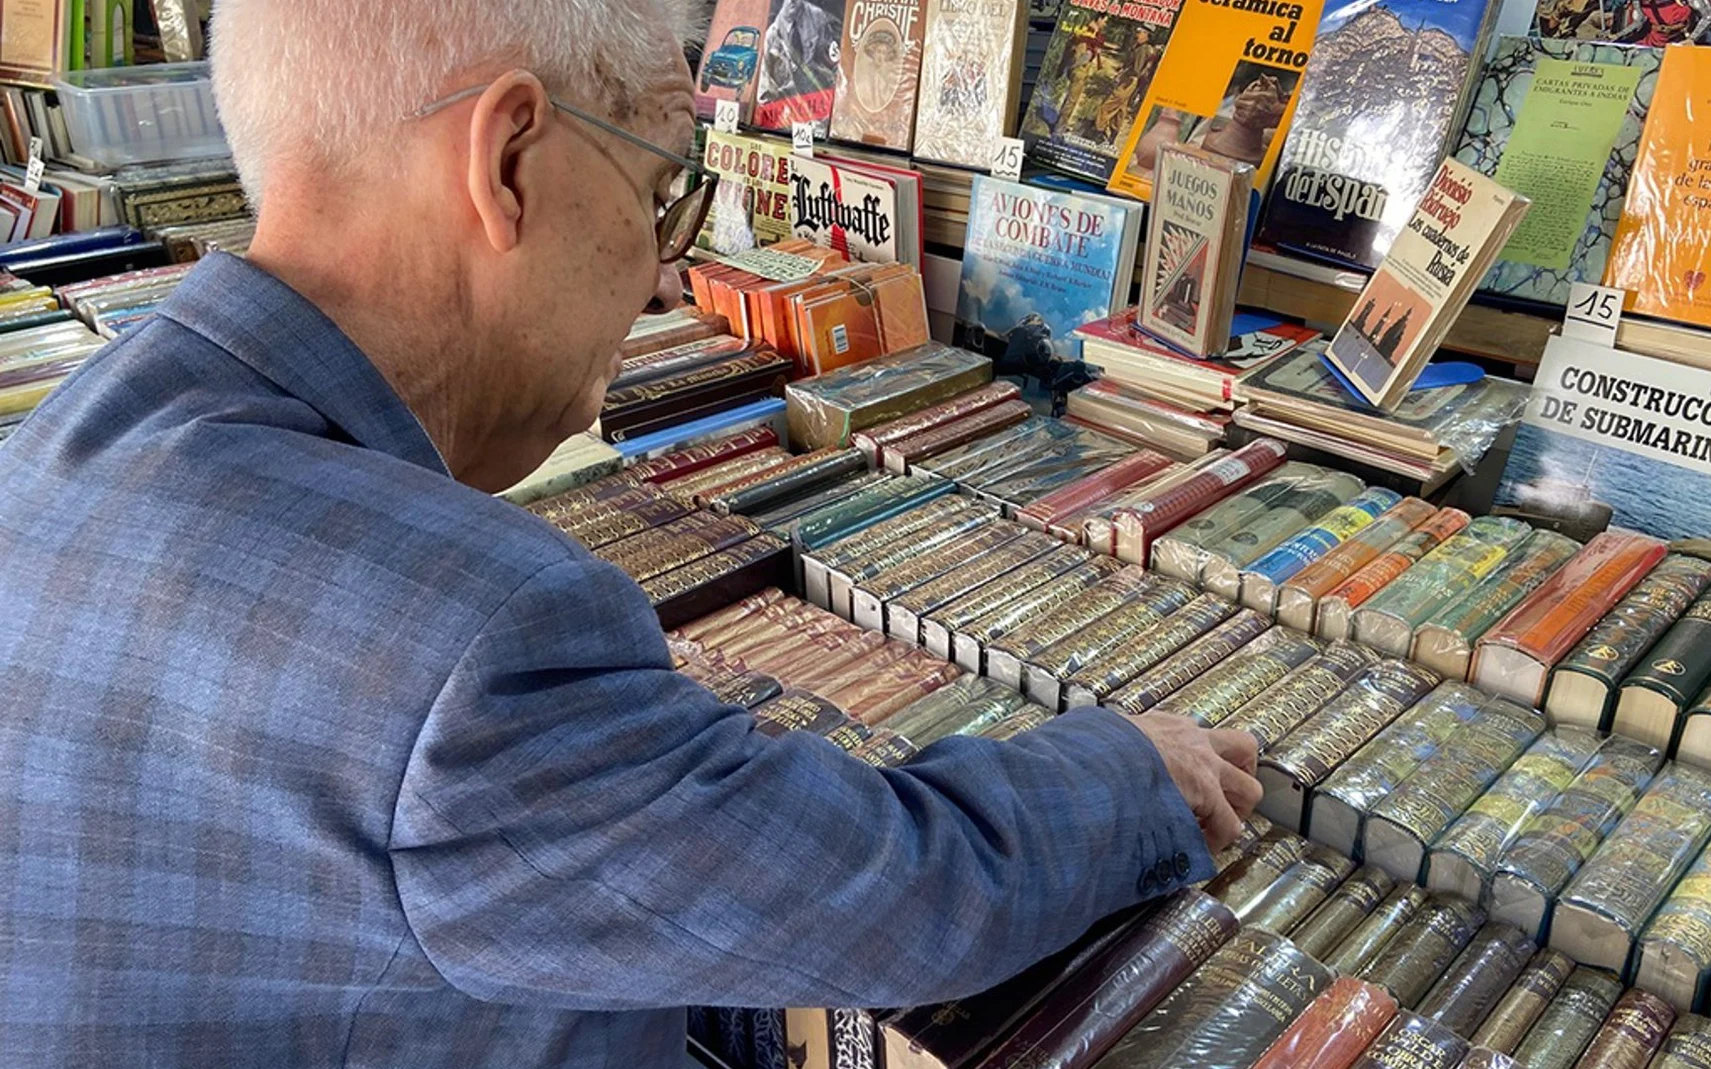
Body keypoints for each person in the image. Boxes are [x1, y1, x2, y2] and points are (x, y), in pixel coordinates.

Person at [0, 0, 1262, 1066]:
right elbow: (894, 892)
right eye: (664, 196)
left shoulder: (56, 448)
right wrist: (1134, 771)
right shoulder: (472, 639)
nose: (668, 277)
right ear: (506, 164)